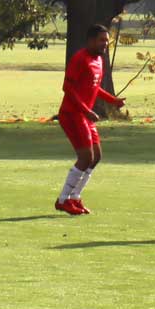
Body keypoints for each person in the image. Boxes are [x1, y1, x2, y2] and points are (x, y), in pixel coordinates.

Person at [53, 24, 124, 215]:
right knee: (86, 157)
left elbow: (94, 87)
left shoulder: (99, 60)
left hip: (84, 115)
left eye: (107, 40)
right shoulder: (80, 58)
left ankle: (74, 197)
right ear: (91, 40)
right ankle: (63, 200)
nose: (105, 44)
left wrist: (113, 100)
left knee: (96, 157)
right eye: (102, 40)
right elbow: (67, 88)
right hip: (72, 114)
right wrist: (86, 110)